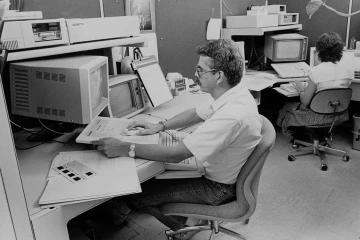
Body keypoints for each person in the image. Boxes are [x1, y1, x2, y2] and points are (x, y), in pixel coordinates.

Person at [92, 39, 262, 240]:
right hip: (218, 170)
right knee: (155, 175)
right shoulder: (234, 92)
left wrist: (125, 147)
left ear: (219, 76)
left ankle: (185, 227)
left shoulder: (232, 114)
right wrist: (161, 126)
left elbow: (176, 154)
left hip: (217, 188)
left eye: (200, 71)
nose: (195, 75)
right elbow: (197, 113)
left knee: (137, 193)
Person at [277, 32, 353, 137]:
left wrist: (301, 90)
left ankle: (296, 135)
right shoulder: (349, 71)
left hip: (317, 116)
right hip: (340, 115)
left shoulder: (316, 72)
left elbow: (305, 102)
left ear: (320, 51)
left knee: (287, 107)